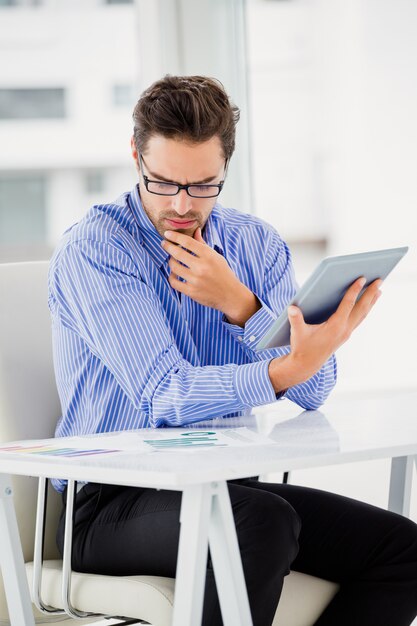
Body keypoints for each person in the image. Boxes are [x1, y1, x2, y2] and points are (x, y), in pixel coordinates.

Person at [48, 75, 417, 626]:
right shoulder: (98, 249)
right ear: (135, 156)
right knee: (258, 522)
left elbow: (315, 389)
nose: (180, 205)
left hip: (226, 485)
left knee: (403, 549)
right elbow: (163, 393)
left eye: (202, 186)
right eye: (163, 182)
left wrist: (243, 306)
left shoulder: (256, 246)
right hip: (112, 502)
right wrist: (286, 365)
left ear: (225, 168)